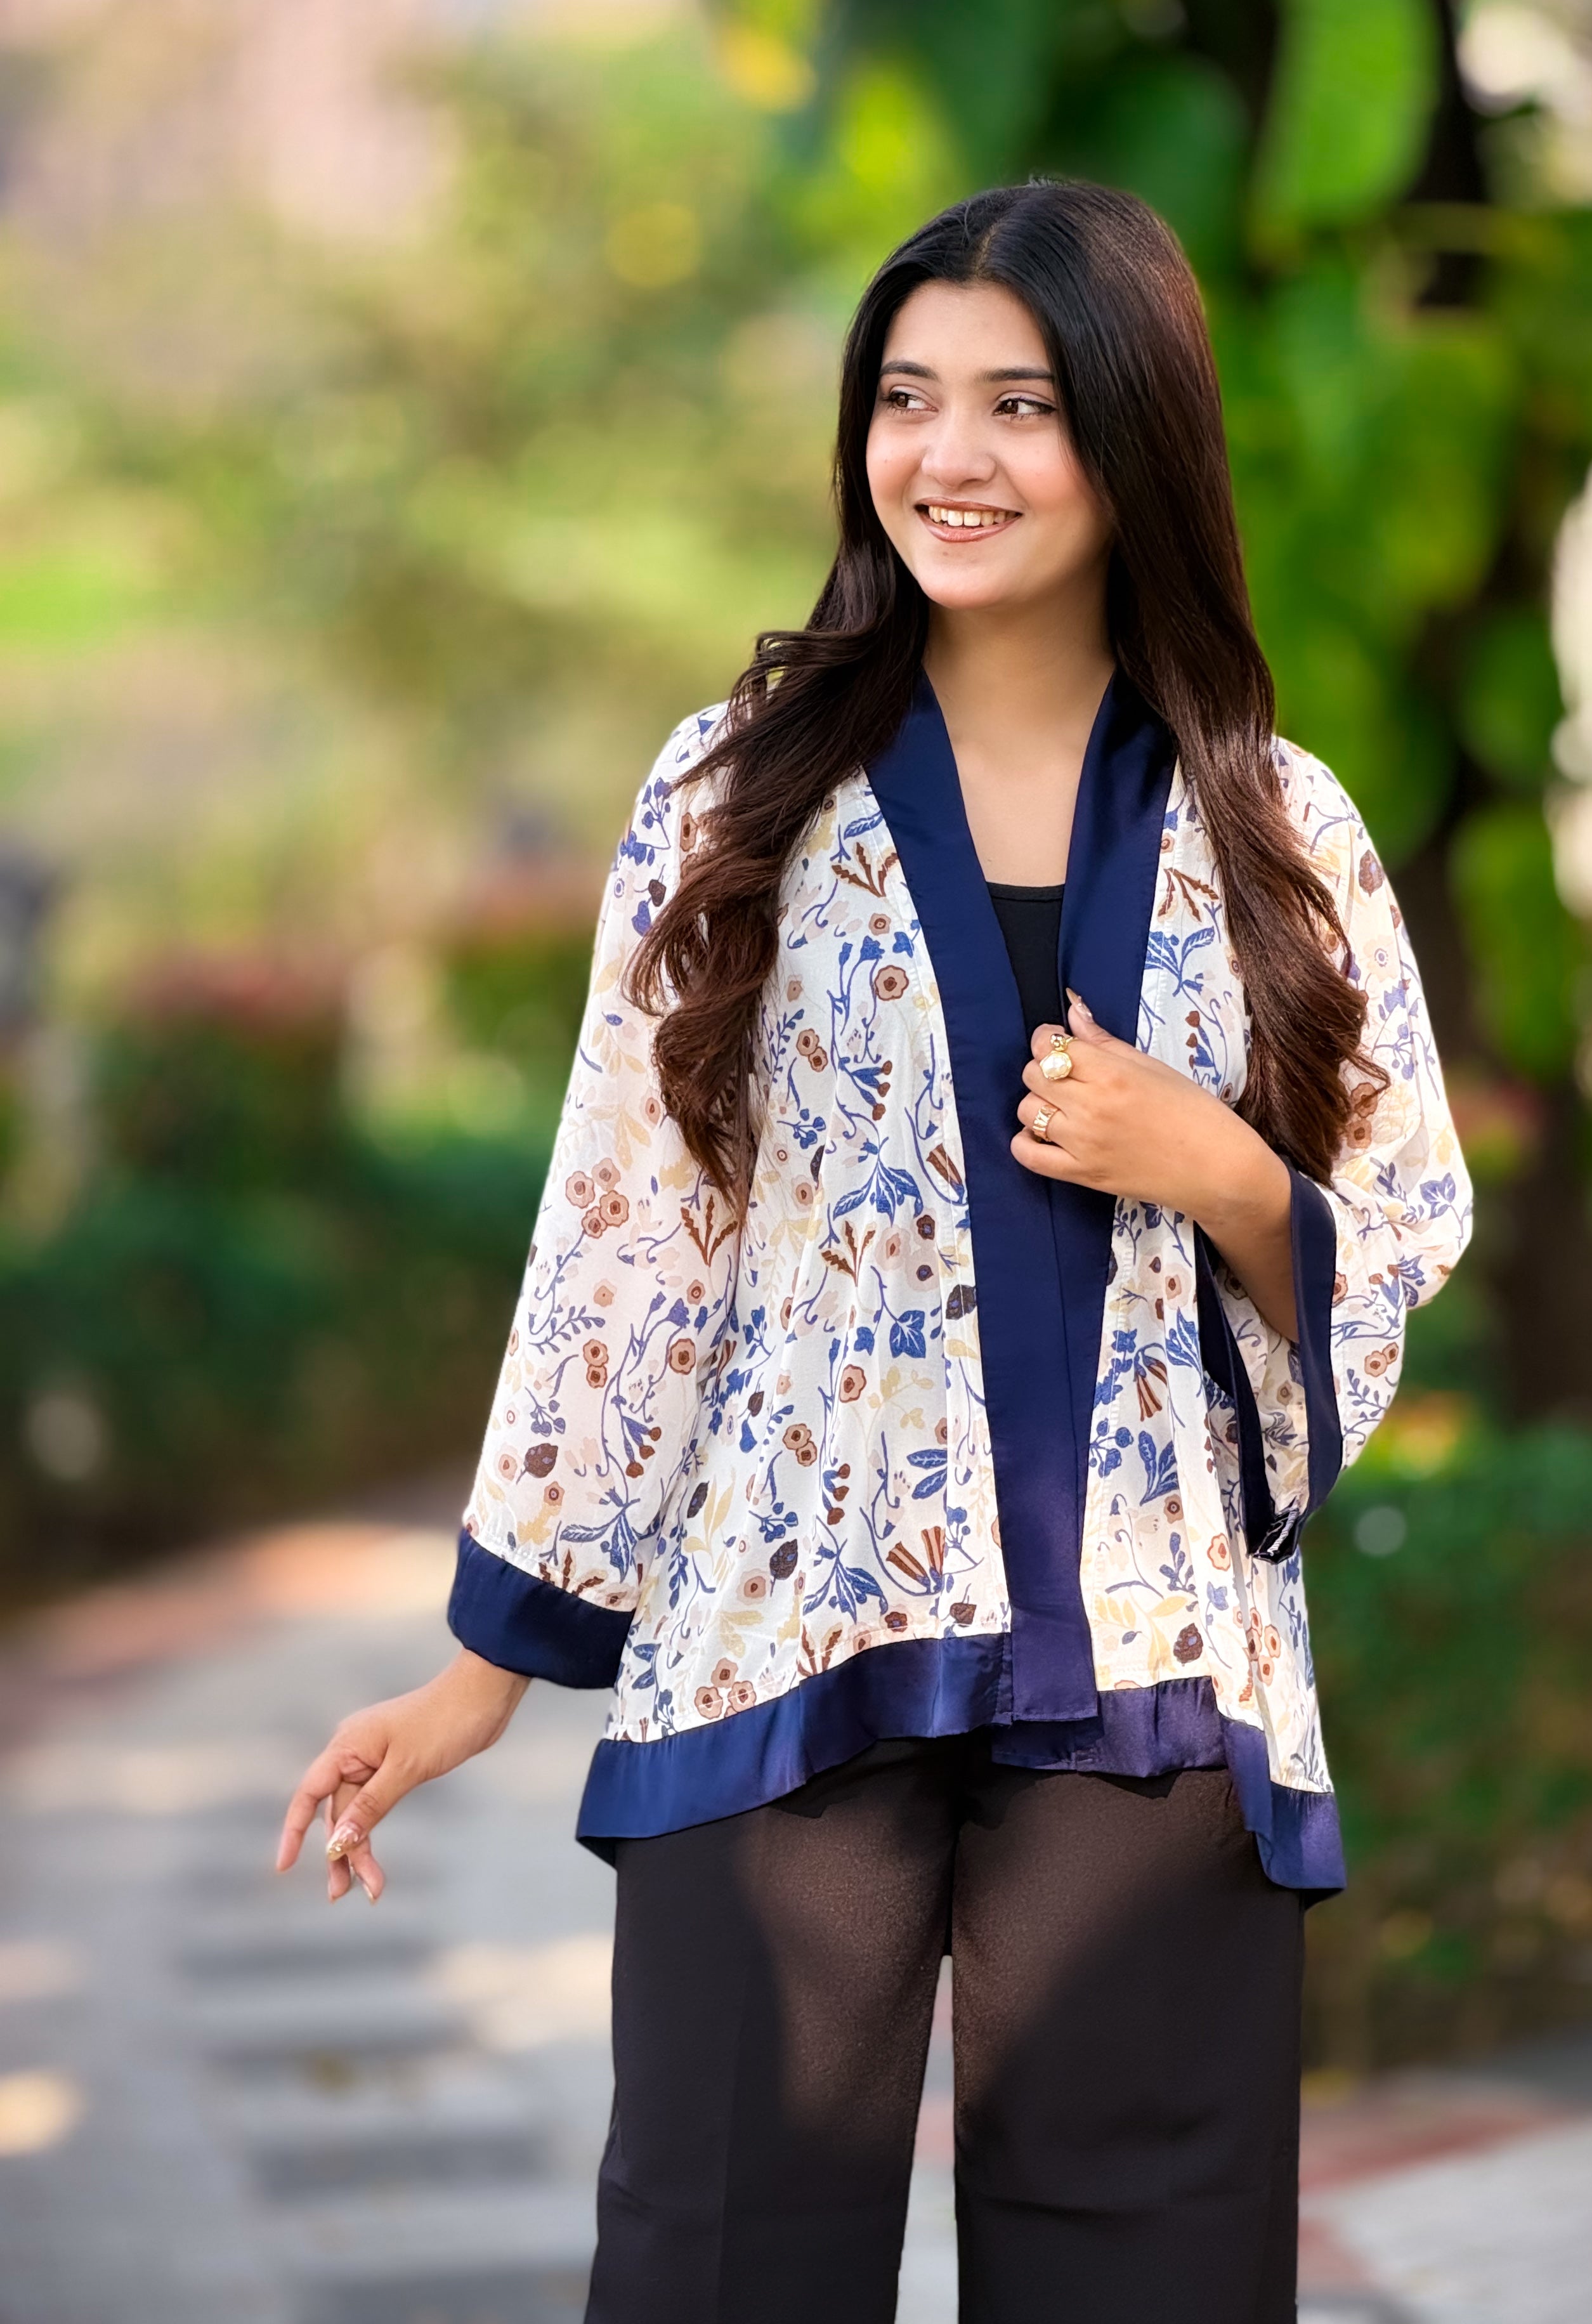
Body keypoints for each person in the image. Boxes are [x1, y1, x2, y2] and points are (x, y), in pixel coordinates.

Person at [278, 180, 1471, 2324]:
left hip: (1150, 1684)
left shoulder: (1279, 833)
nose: (951, 454)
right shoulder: (736, 794)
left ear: (1132, 437)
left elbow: (1393, 1241)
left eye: (1020, 403)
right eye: (907, 398)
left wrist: (1216, 1166)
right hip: (780, 1650)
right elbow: (630, 1244)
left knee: (1155, 2288)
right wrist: (479, 1674)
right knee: (719, 2267)